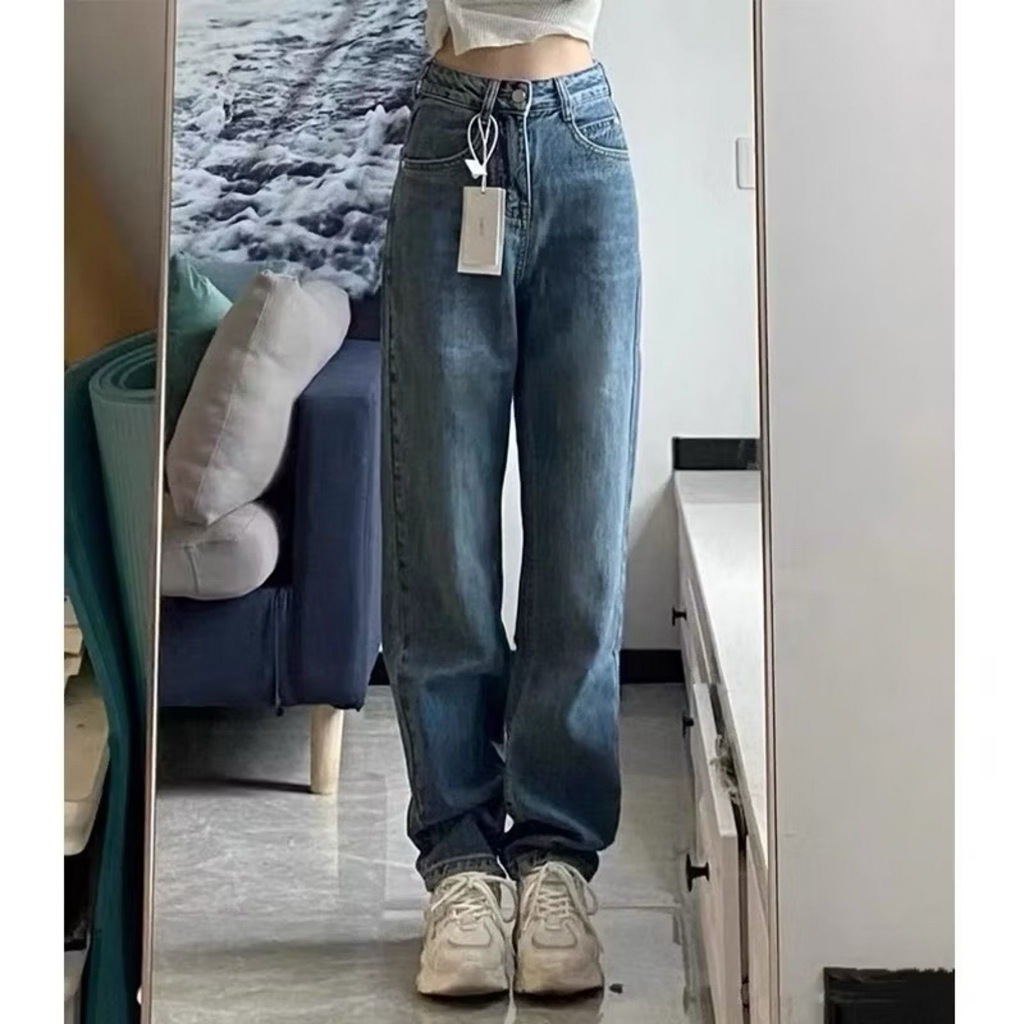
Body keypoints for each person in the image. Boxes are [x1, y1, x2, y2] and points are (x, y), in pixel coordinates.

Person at [381, 0, 639, 998]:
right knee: (439, 531)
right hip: (452, 141)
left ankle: (556, 864)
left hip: (584, 142)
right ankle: (460, 865)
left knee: (583, 536)